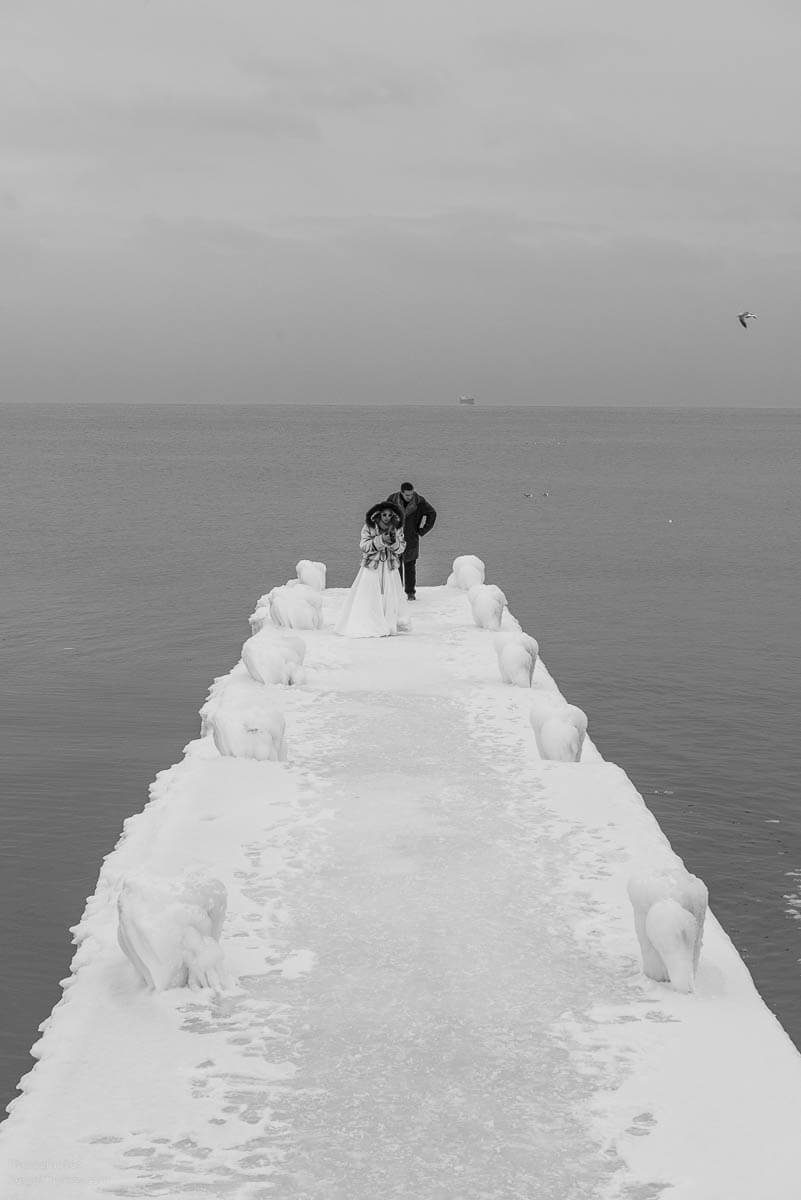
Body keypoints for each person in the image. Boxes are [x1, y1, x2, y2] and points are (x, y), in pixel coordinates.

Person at [334, 501, 410, 638]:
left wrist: (393, 542)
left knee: (390, 595)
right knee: (368, 594)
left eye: (389, 515)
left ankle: (389, 623)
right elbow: (364, 546)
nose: (386, 517)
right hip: (372, 566)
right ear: (378, 515)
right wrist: (380, 540)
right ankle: (368, 621)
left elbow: (402, 548)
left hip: (389, 567)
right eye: (384, 514)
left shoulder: (397, 528)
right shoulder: (369, 527)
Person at [384, 481, 437, 600]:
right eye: (407, 495)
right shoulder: (392, 499)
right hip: (395, 538)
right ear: (401, 493)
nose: (410, 497)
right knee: (395, 565)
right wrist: (386, 530)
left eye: (411, 494)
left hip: (411, 538)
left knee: (410, 566)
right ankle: (396, 592)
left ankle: (410, 593)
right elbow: (383, 514)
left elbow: (432, 513)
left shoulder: (419, 501)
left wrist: (422, 530)